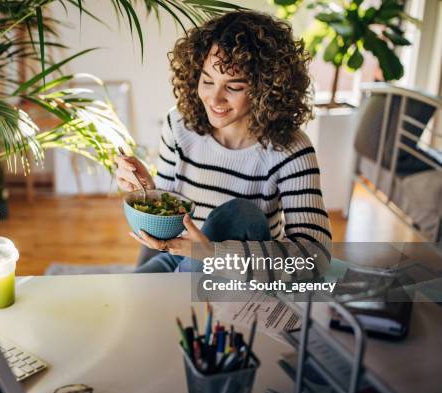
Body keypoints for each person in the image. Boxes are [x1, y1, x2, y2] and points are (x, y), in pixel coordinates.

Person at [115, 9, 332, 273]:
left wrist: (211, 254)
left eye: (233, 87)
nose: (214, 99)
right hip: (181, 256)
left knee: (241, 213)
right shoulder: (179, 125)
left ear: (266, 88)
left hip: (244, 270)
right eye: (207, 80)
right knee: (128, 303)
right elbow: (171, 217)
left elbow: (315, 256)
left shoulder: (290, 149)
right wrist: (147, 192)